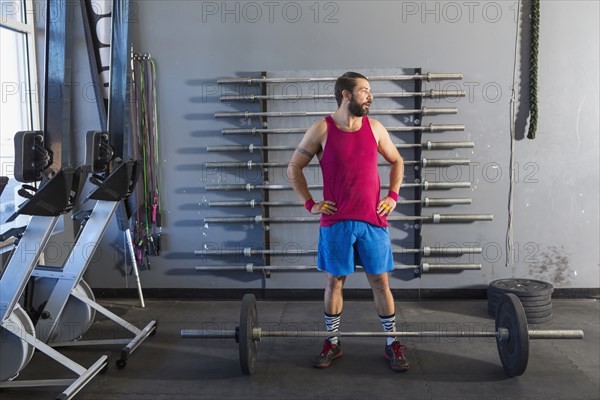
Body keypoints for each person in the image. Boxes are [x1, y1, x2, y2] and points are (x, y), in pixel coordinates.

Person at [287, 72, 408, 372]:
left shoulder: (375, 128)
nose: (370, 96)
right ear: (345, 94)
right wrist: (310, 203)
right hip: (337, 222)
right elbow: (293, 167)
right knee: (334, 282)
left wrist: (393, 195)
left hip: (371, 221)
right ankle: (333, 342)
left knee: (380, 283)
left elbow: (397, 161)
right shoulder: (322, 129)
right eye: (364, 91)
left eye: (370, 91)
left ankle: (392, 343)